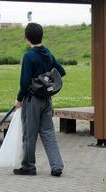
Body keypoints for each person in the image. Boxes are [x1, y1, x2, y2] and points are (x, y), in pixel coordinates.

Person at [13, 22, 65, 176]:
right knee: (48, 133)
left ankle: (29, 166)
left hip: (32, 100)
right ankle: (57, 166)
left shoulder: (29, 56)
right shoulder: (48, 53)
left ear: (26, 38)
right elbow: (61, 71)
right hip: (47, 100)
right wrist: (46, 80)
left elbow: (24, 82)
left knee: (30, 133)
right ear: (41, 36)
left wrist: (19, 99)